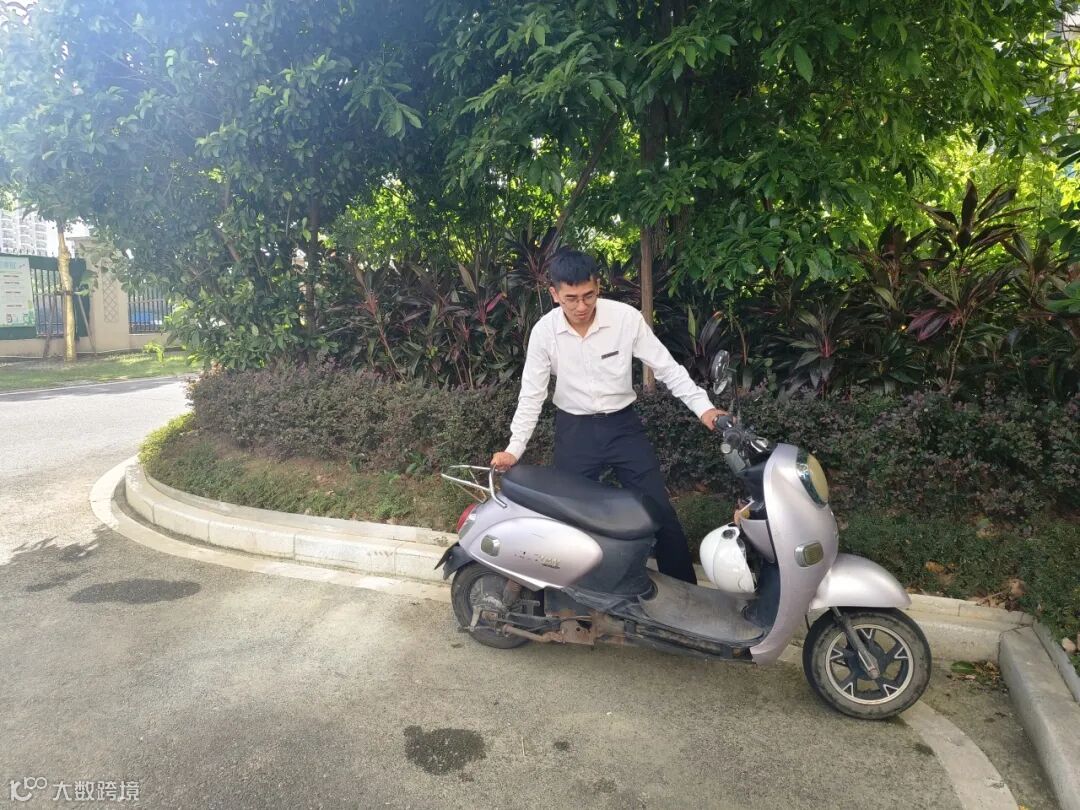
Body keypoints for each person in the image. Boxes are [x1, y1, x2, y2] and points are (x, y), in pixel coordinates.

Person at [489, 248, 725, 584]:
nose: (581, 306)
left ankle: (686, 593)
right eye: (571, 299)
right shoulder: (544, 332)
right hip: (574, 433)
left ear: (598, 286)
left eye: (588, 295)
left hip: (622, 428)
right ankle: (575, 599)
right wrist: (515, 448)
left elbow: (667, 369)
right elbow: (532, 395)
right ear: (554, 294)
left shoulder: (625, 319)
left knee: (658, 511)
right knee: (569, 520)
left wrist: (704, 408)